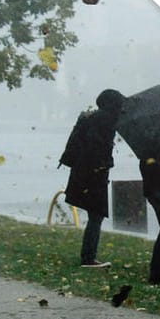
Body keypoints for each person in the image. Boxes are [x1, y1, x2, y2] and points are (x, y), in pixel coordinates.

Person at [59, 89, 125, 268]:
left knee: (95, 214)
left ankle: (88, 255)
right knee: (97, 214)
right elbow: (97, 147)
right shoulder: (105, 120)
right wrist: (104, 164)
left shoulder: (89, 118)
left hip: (82, 172)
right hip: (94, 174)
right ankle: (88, 258)